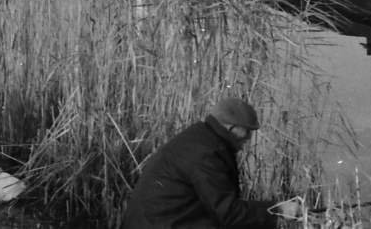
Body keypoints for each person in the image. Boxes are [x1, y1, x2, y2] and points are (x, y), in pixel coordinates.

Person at [121, 97, 301, 229]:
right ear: (231, 128)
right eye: (247, 132)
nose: (248, 138)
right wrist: (275, 215)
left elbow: (222, 205)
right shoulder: (207, 155)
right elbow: (228, 214)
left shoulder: (202, 138)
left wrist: (276, 207)